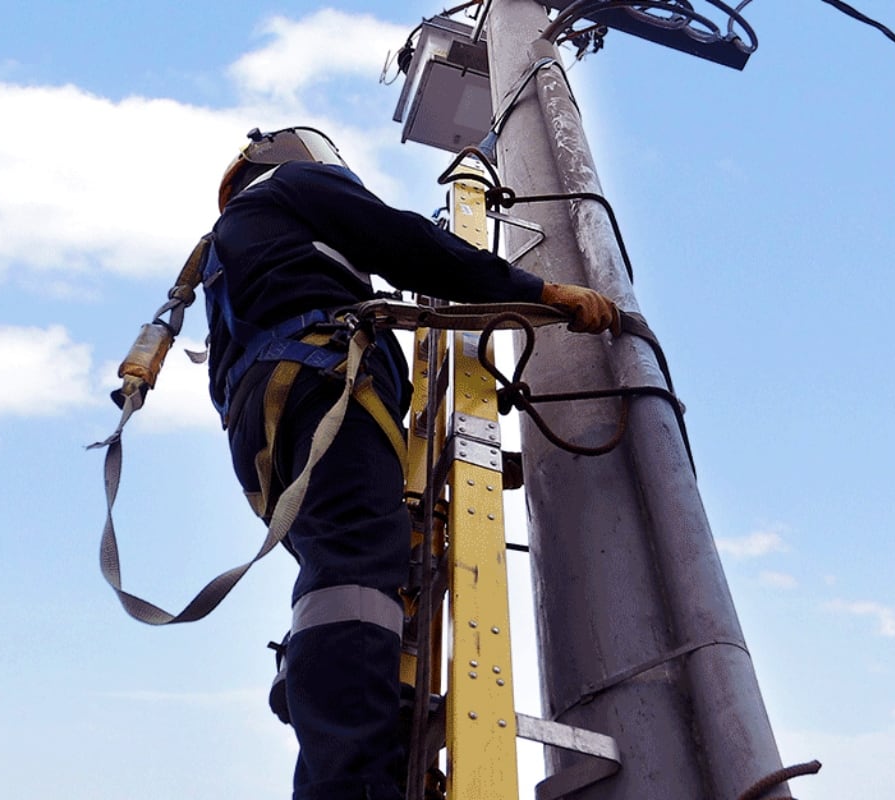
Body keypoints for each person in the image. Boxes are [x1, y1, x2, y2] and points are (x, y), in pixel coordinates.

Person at [203, 125, 618, 800]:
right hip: (321, 381)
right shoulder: (294, 186)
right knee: (356, 574)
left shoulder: (231, 251)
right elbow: (405, 243)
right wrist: (539, 291)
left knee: (343, 578)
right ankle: (353, 780)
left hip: (268, 419)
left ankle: (363, 715)